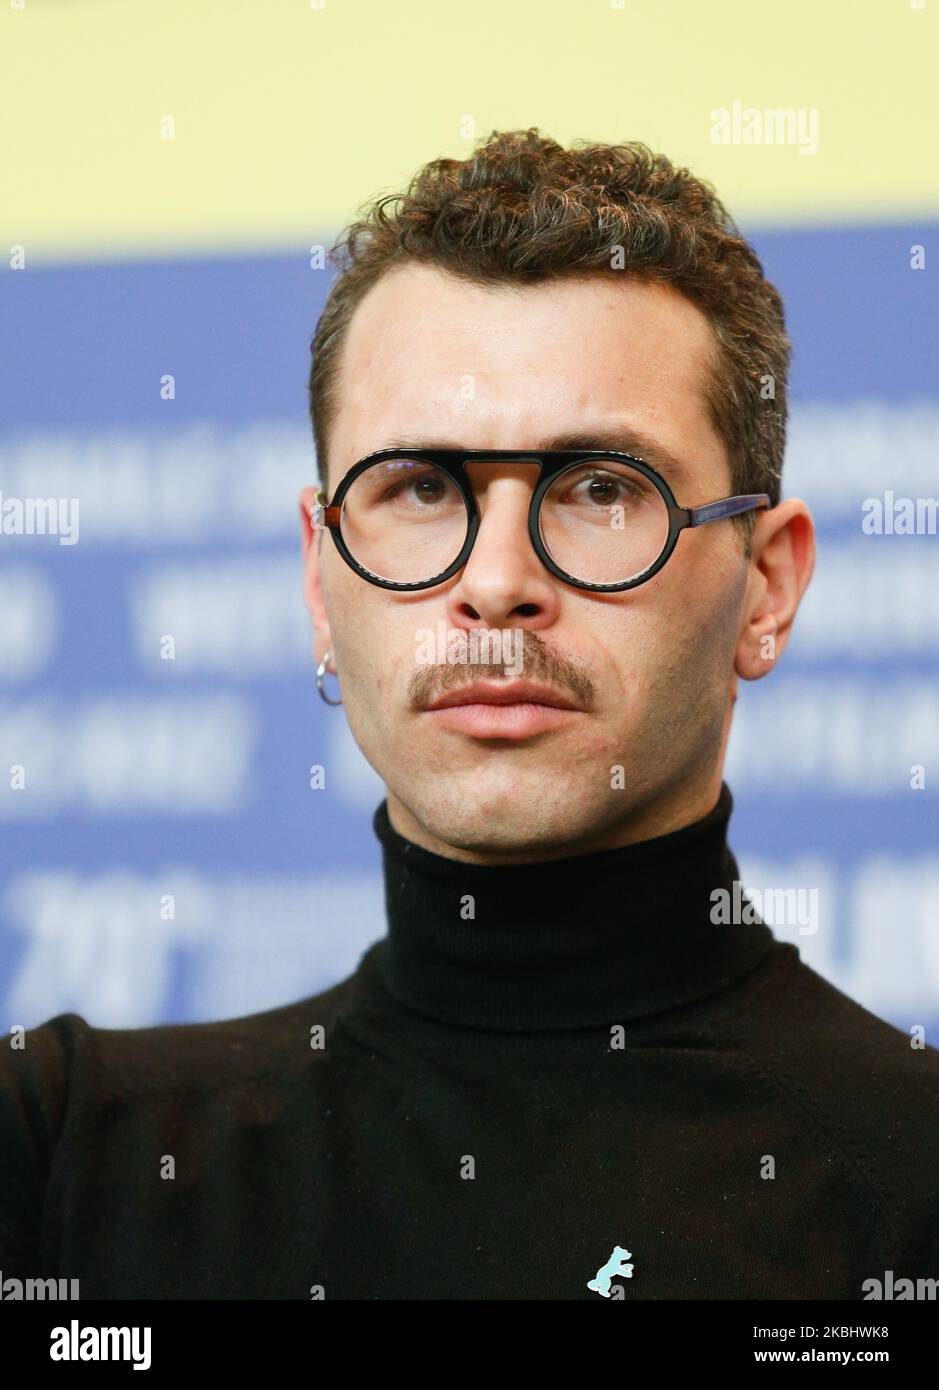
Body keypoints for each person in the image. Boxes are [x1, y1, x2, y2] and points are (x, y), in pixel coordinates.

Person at [2, 131, 937, 1301]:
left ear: (768, 586)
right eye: (424, 488)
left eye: (602, 488)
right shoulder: (62, 1153)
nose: (496, 580)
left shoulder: (911, 1185)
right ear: (318, 579)